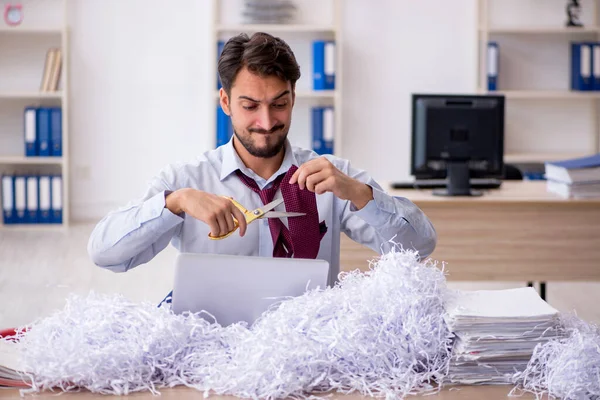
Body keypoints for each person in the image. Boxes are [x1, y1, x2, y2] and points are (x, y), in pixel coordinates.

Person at [87, 32, 437, 305]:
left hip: (310, 346)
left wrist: (362, 195)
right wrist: (173, 203)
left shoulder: (332, 176)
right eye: (250, 105)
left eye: (279, 104)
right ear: (225, 102)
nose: (266, 121)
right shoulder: (186, 181)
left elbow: (421, 245)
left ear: (293, 99)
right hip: (210, 349)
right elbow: (105, 254)